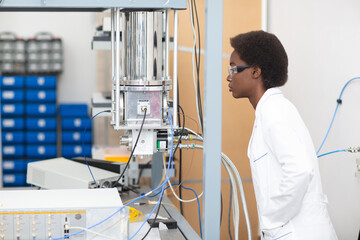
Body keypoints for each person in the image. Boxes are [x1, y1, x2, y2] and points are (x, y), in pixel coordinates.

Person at [227, 30, 338, 240]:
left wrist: (270, 221)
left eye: (234, 68)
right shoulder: (270, 111)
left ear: (255, 71)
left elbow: (300, 171)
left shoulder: (274, 111)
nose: (228, 76)